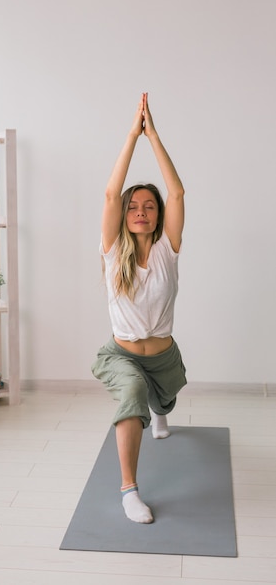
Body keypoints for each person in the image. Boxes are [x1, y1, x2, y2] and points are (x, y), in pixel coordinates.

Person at [91, 92, 187, 524]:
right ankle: (129, 490)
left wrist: (156, 137)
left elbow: (177, 191)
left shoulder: (168, 249)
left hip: (163, 356)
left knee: (162, 401)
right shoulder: (113, 252)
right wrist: (133, 135)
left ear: (158, 214)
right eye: (134, 207)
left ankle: (160, 410)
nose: (141, 211)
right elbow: (112, 193)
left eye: (149, 206)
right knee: (132, 394)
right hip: (123, 353)